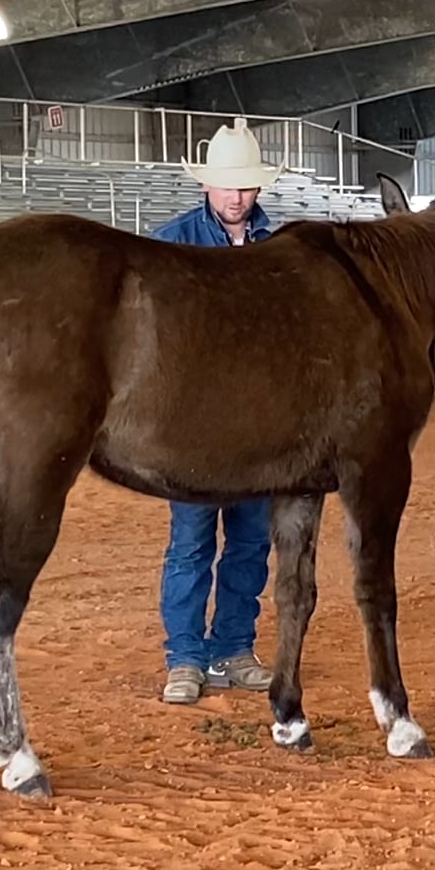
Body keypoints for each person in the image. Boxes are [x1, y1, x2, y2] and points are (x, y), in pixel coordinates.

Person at [151, 117, 282, 705]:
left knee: (252, 543)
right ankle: (184, 657)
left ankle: (233, 647)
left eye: (247, 186)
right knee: (191, 543)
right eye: (228, 186)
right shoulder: (170, 245)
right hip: (194, 427)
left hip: (259, 426)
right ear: (207, 186)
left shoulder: (277, 248)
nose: (237, 197)